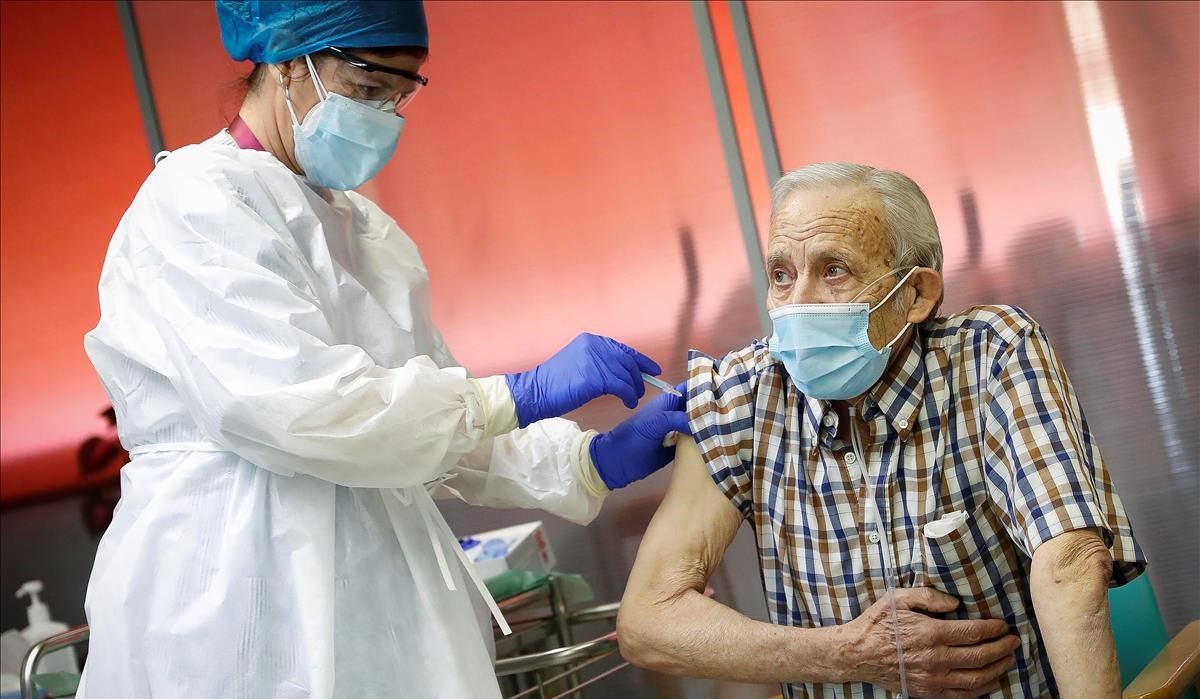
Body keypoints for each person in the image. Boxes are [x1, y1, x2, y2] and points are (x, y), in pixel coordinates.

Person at [78, 2, 689, 696]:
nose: (386, 113)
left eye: (401, 93)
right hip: (236, 592)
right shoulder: (194, 204)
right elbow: (297, 410)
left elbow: (424, 423)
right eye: (368, 88)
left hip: (380, 598)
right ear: (286, 58)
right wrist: (518, 392)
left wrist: (587, 460)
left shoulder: (369, 233)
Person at [617, 163, 1145, 698]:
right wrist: (849, 654)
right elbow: (647, 621)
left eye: (833, 271)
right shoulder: (743, 394)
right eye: (782, 275)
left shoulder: (993, 354)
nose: (799, 301)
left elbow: (1070, 560)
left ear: (915, 294)